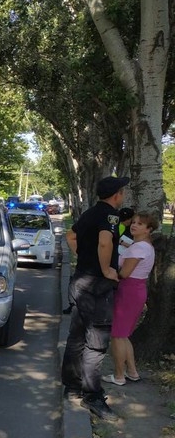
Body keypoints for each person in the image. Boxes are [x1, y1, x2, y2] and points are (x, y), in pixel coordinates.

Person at [61, 175, 128, 421]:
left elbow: (71, 236)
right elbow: (104, 242)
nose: (124, 196)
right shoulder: (110, 215)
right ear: (116, 195)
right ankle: (92, 395)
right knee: (96, 342)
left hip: (80, 281)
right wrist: (106, 269)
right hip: (97, 286)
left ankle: (72, 387)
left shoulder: (90, 213)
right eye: (123, 192)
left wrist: (82, 256)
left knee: (76, 337)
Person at [102, 212, 158, 386]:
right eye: (133, 222)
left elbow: (124, 273)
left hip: (129, 291)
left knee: (117, 335)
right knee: (124, 335)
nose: (134, 225)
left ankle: (119, 376)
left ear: (148, 230)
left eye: (140, 224)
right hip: (136, 290)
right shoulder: (142, 245)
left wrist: (109, 271)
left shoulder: (139, 248)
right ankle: (132, 372)